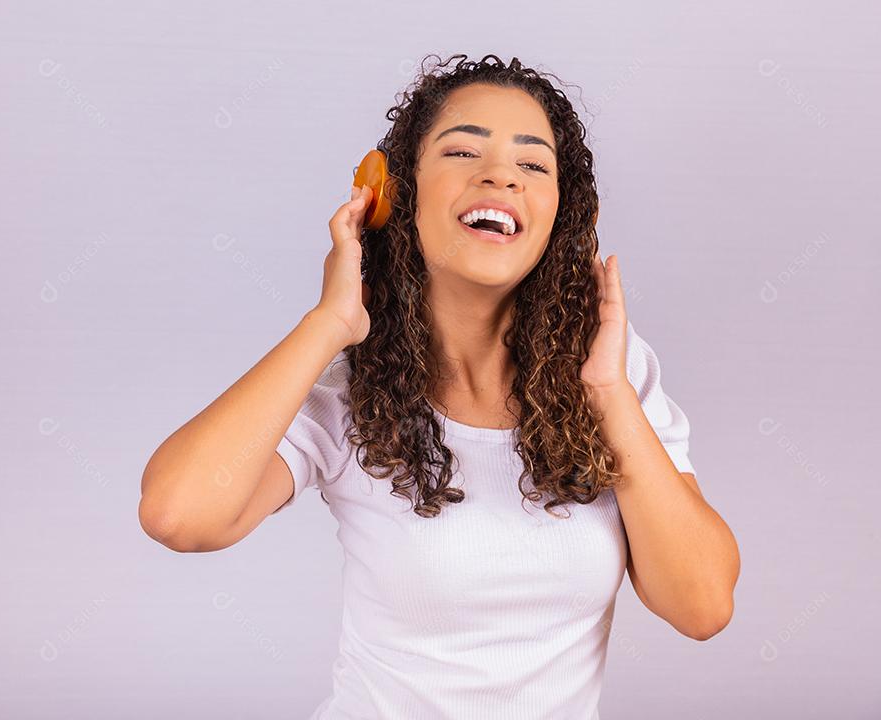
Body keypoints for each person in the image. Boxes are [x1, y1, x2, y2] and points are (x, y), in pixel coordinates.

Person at [139, 53, 740, 720]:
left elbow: (703, 606)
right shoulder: (346, 392)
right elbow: (178, 516)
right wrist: (328, 323)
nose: (499, 176)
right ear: (392, 194)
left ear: (562, 214)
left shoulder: (614, 376)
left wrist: (610, 398)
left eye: (534, 165)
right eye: (463, 151)